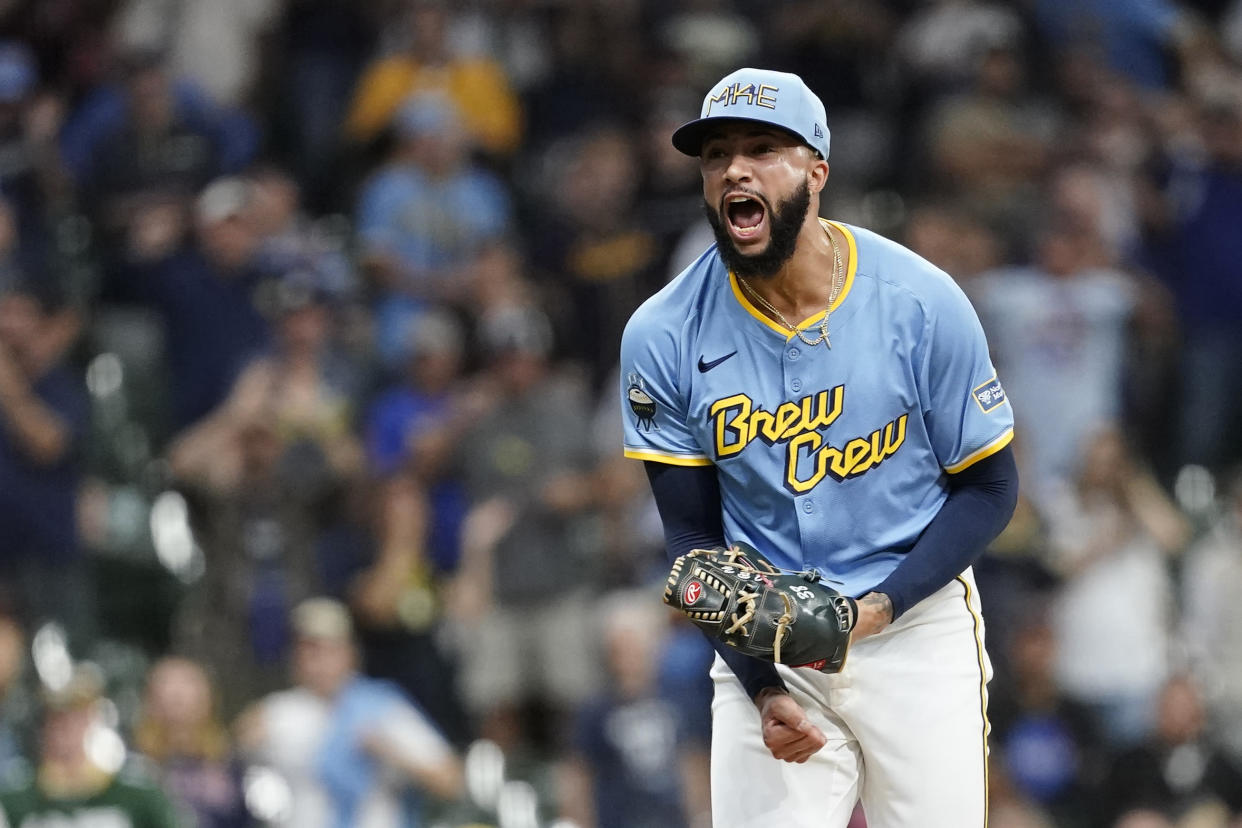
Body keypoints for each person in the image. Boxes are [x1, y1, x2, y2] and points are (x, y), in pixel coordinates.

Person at [619, 68, 1019, 826]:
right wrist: (761, 687)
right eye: (716, 154)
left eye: (762, 148)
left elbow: (991, 488)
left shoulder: (920, 303)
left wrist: (874, 611)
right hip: (771, 644)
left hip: (913, 624)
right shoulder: (663, 333)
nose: (734, 168)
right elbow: (694, 539)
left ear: (816, 169)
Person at [235, 597, 463, 828]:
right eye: (309, 651)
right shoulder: (278, 711)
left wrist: (389, 750)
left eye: (330, 650)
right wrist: (243, 742)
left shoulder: (383, 708)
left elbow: (450, 781)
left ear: (350, 653)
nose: (319, 663)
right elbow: (232, 762)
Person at [0, 666, 182, 827]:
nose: (67, 730)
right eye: (57, 719)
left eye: (78, 718)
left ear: (96, 720)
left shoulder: (137, 795)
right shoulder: (15, 799)